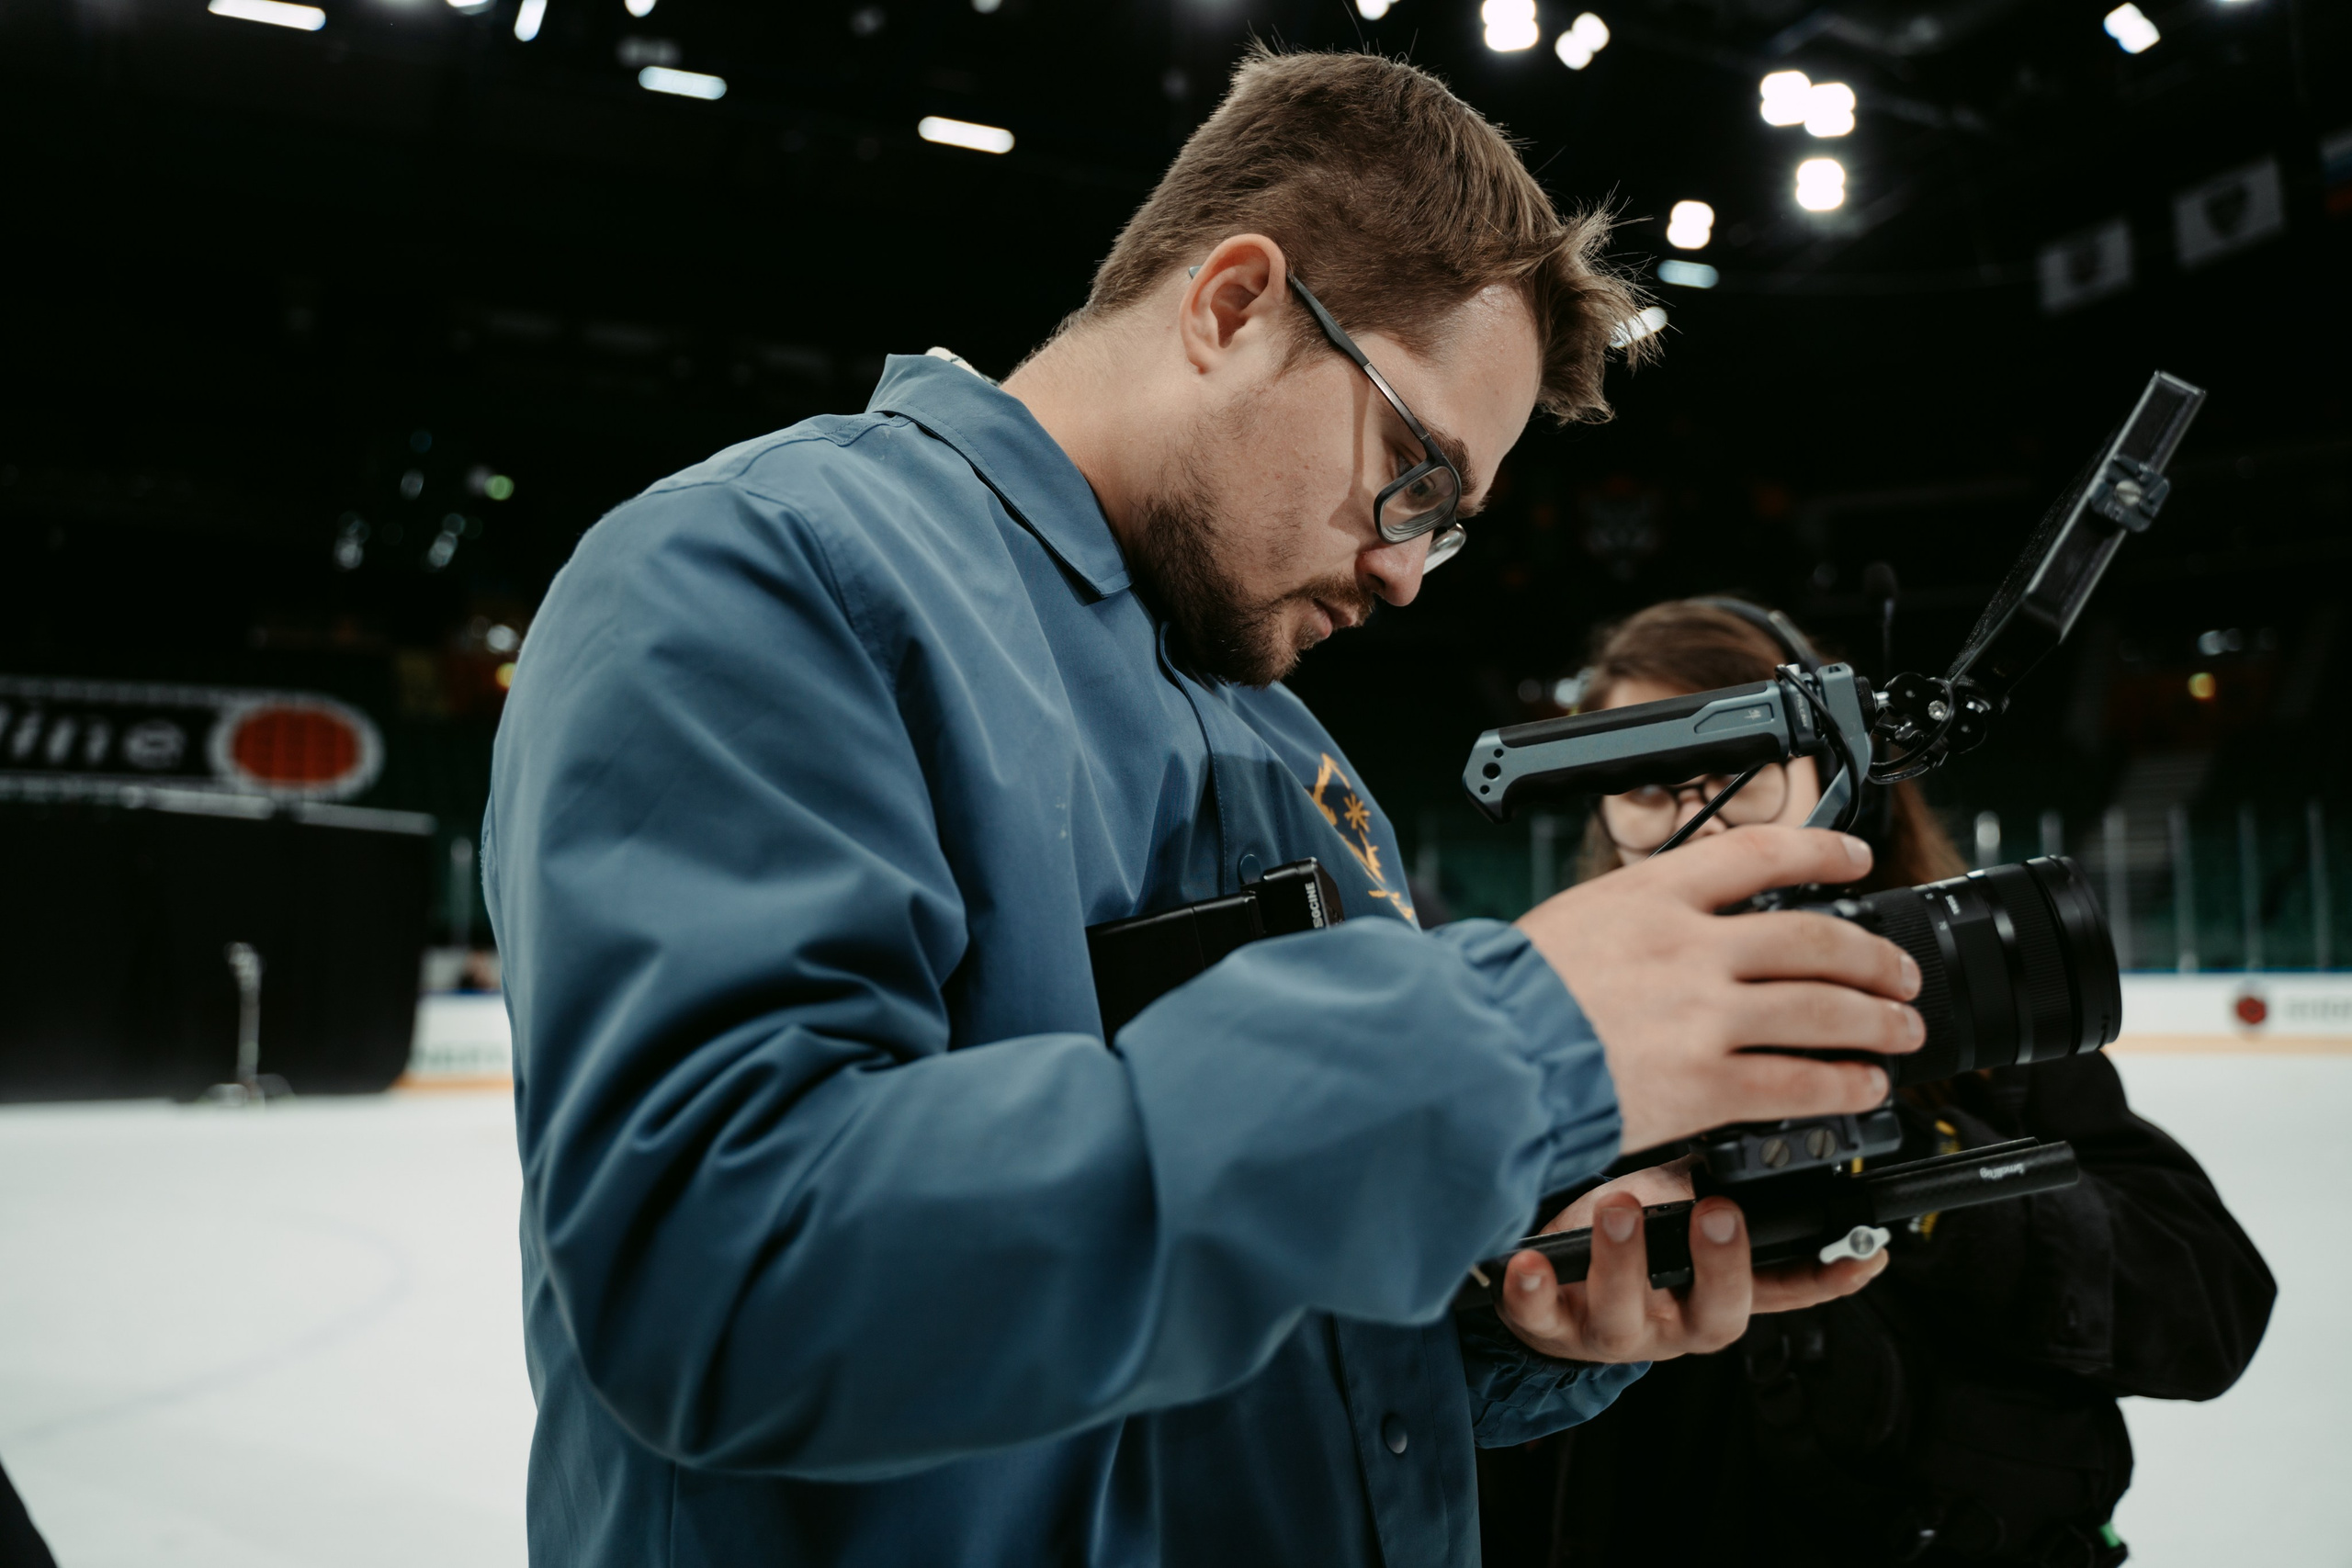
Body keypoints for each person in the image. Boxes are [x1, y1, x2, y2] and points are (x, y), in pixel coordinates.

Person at [484, 51, 1936, 1568]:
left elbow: (1277, 1325)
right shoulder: (762, 572)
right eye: (1414, 476)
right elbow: (726, 1281)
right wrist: (1502, 1044)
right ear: (1234, 303)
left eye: (1446, 531)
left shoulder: (1294, 747)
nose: (1400, 570)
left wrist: (1524, 1311)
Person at [1475, 599, 2277, 1568]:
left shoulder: (1975, 1004)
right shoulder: (1533, 1054)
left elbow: (2207, 1313)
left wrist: (1916, 1177)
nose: (1699, 815)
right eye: (1646, 784)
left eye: (1739, 766)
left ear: (1834, 773)